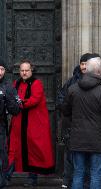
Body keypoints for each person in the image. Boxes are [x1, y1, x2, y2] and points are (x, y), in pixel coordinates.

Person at [61, 57, 101, 189]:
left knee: (78, 174)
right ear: (100, 72)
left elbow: (65, 111)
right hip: (98, 140)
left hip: (77, 139)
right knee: (96, 175)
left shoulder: (73, 89)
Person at [8, 59, 55, 186]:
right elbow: (10, 97)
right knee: (14, 148)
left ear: (31, 70)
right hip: (19, 123)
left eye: (26, 70)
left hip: (34, 124)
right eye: (22, 70)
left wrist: (19, 103)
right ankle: (7, 175)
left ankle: (32, 178)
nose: (24, 73)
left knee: (33, 150)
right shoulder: (16, 83)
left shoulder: (37, 84)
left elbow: (34, 100)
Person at [56, 52, 100, 188]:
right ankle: (67, 180)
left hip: (92, 127)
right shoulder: (71, 81)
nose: (84, 66)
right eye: (82, 63)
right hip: (72, 125)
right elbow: (61, 100)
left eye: (87, 64)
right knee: (71, 156)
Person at [0, 58, 20, 188]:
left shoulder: (8, 87)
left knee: (2, 155)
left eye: (1, 69)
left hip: (1, 127)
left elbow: (15, 110)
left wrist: (9, 99)